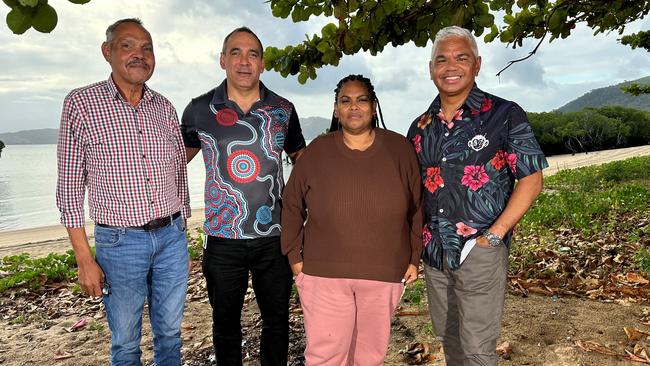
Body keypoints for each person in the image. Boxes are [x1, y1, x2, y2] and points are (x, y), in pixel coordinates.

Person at [406, 26, 548, 365]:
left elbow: (532, 179)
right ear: (430, 69)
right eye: (441, 59)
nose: (450, 66)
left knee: (478, 348)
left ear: (477, 64)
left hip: (481, 251)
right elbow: (411, 192)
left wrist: (495, 236)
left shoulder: (504, 114)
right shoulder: (420, 127)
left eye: (461, 57)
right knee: (449, 340)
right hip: (436, 254)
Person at [56, 18, 190, 365]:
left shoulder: (164, 107)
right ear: (107, 51)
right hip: (119, 243)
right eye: (128, 46)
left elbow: (177, 170)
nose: (139, 55)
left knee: (171, 334)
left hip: (172, 238)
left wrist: (182, 225)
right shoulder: (81, 104)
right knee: (126, 341)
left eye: (147, 48)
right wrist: (85, 259)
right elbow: (70, 189)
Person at [180, 26, 306, 365]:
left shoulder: (283, 110)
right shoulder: (199, 110)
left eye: (252, 54)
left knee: (277, 322)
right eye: (236, 52)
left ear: (262, 63)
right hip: (222, 239)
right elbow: (172, 164)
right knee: (225, 326)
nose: (244, 61)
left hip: (274, 238)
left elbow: (305, 166)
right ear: (223, 60)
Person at [281, 74, 423, 365]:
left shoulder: (400, 149)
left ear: (373, 106)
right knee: (325, 356)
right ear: (336, 109)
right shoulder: (316, 152)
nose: (354, 107)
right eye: (346, 101)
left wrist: (413, 257)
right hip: (323, 274)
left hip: (384, 272)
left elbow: (416, 208)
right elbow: (292, 204)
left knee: (369, 356)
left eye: (362, 100)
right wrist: (295, 258)